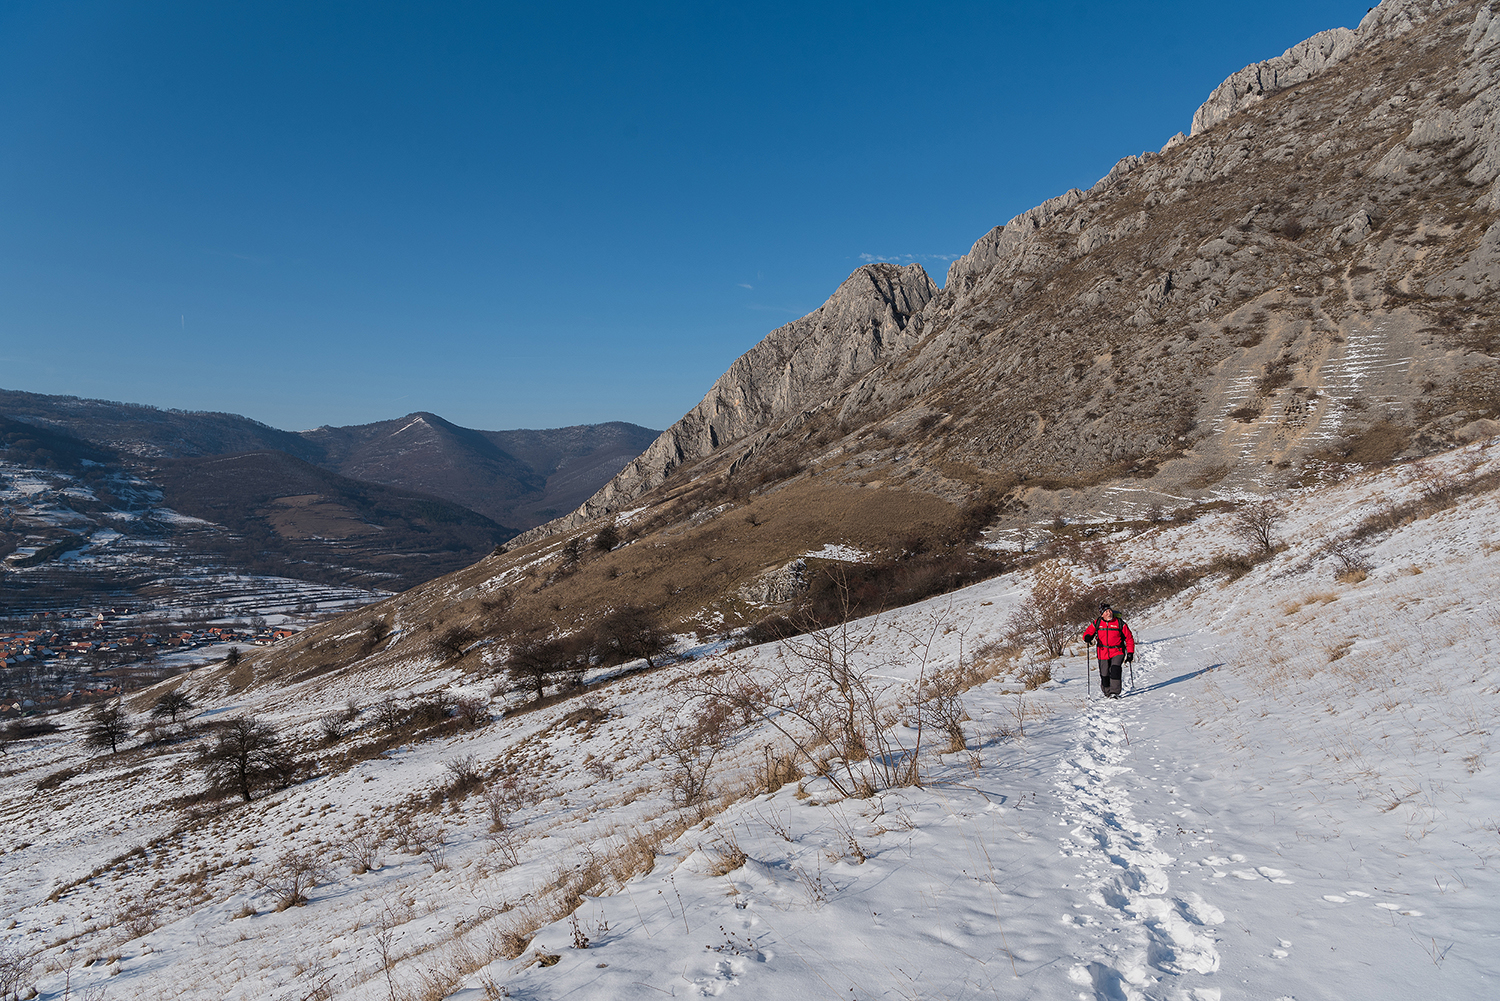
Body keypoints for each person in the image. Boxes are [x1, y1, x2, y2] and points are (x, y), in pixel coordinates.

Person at [1082, 603, 1134, 698]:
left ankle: (1114, 692)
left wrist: (1130, 652)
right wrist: (1087, 637)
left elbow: (1129, 638)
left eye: (1109, 611)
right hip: (1102, 652)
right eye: (1106, 612)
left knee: (1115, 670)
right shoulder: (1097, 623)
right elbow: (1088, 632)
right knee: (1104, 673)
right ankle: (1107, 692)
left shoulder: (1119, 623)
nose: (1109, 613)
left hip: (1117, 650)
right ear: (1102, 614)